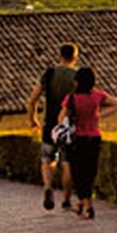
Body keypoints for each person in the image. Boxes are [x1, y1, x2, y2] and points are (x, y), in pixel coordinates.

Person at [29, 41, 82, 212]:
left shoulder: (48, 73)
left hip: (50, 124)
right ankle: (66, 200)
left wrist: (33, 118)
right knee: (68, 163)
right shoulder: (79, 75)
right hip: (70, 126)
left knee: (47, 159)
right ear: (75, 58)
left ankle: (47, 187)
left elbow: (32, 100)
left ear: (59, 56)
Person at [60, 60, 115, 220]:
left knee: (78, 173)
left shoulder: (71, 98)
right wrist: (98, 115)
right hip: (95, 137)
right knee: (90, 173)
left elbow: (61, 118)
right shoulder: (98, 95)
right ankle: (82, 204)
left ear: (77, 81)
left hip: (78, 139)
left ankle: (88, 207)